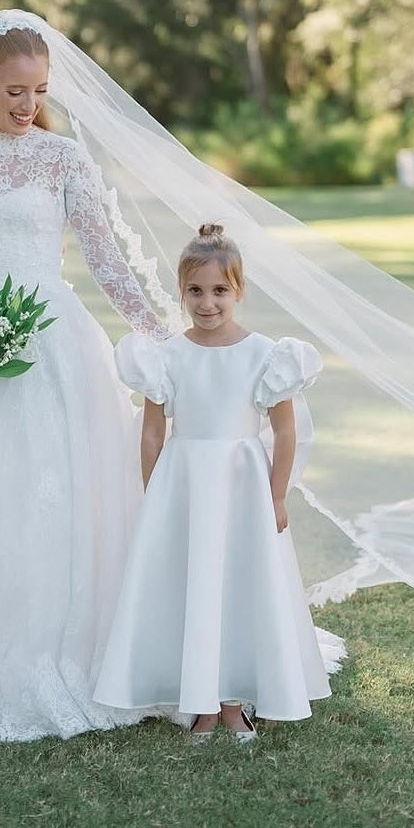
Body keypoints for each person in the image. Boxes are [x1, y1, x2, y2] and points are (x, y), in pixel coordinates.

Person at [0, 13, 172, 743]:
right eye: (13, 91)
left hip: (56, 350)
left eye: (37, 91)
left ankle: (63, 649)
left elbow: (103, 256)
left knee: (54, 497)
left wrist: (156, 332)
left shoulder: (61, 159)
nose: (27, 104)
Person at [94, 224, 335, 740]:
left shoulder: (266, 354)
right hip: (184, 484)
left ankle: (230, 701)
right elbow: (153, 432)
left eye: (220, 290)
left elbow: (285, 430)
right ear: (181, 293)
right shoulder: (166, 355)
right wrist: (153, 492)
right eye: (195, 291)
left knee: (236, 584)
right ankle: (199, 701)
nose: (207, 303)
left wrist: (275, 494)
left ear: (239, 290)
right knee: (194, 584)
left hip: (241, 485)